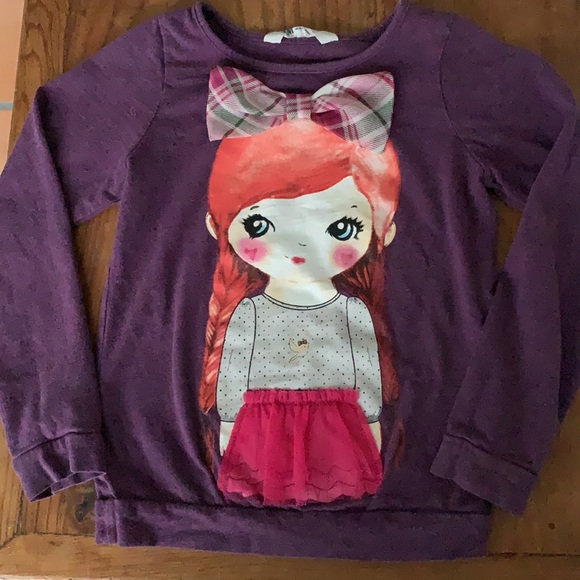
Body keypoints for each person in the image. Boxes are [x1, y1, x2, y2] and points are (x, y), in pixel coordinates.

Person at [199, 119, 402, 506]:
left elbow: (366, 370)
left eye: (341, 228)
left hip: (339, 426)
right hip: (262, 426)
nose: (299, 247)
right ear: (218, 224)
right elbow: (234, 368)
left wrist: (370, 422)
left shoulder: (353, 310)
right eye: (260, 224)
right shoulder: (249, 311)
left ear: (383, 232)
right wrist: (229, 421)